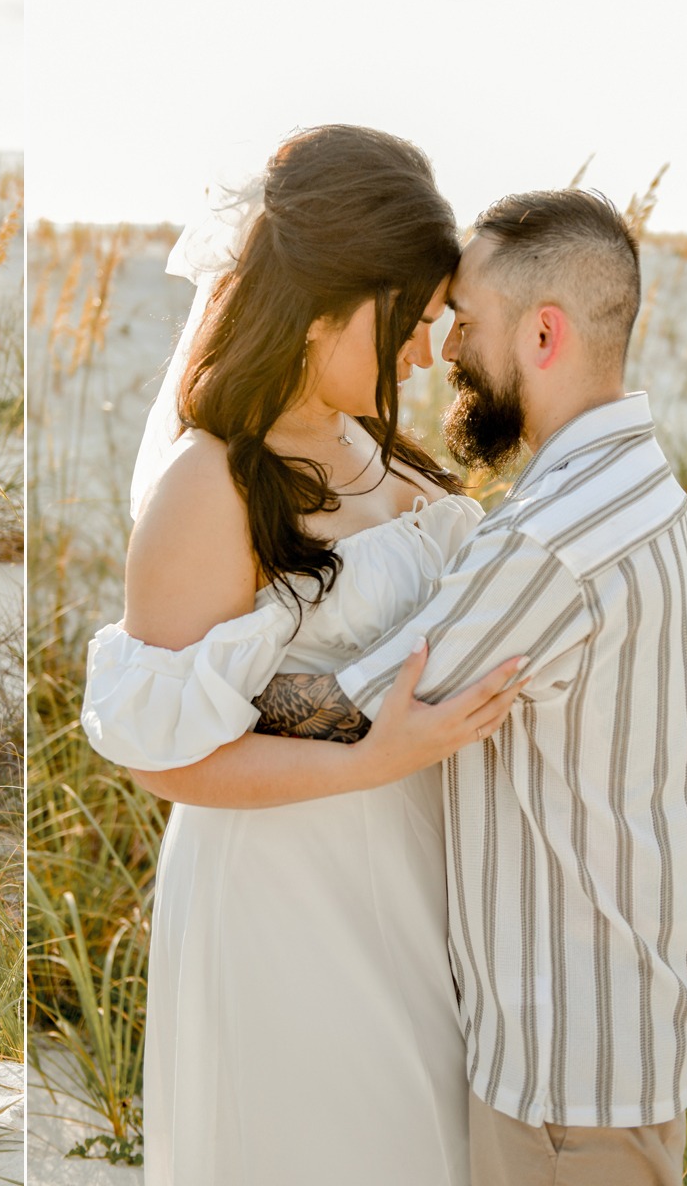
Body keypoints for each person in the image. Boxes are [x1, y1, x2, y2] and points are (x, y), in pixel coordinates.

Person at [80, 126, 527, 1185]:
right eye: (412, 322)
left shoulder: (373, 443)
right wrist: (371, 759)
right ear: (332, 302)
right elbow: (162, 755)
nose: (426, 353)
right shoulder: (211, 485)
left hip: (410, 873)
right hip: (282, 894)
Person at [252, 190, 687, 1186]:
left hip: (568, 1074)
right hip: (618, 1034)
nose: (444, 344)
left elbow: (364, 706)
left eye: (462, 316)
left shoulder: (553, 538)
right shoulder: (628, 478)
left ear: (541, 333)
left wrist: (191, 687)